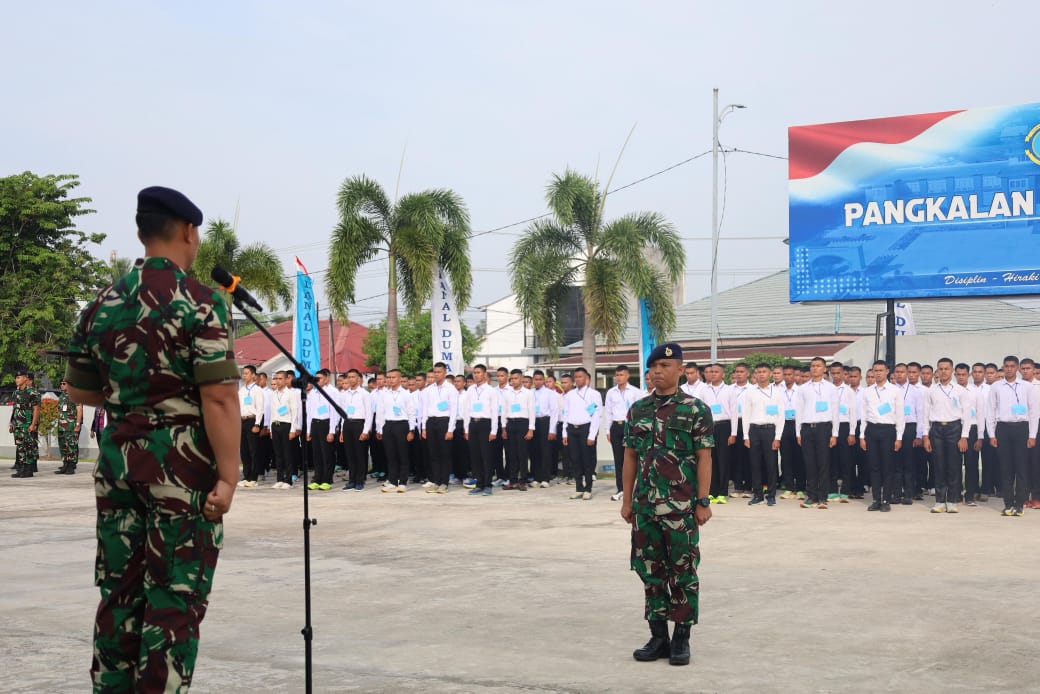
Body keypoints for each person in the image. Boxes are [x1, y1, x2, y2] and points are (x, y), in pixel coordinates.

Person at [64, 185, 240, 692]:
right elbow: (220, 398)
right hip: (180, 476)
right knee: (172, 602)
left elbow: (79, 387)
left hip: (118, 469)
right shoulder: (202, 303)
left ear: (142, 233)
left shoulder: (103, 302)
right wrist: (228, 476)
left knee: (119, 598)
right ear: (188, 230)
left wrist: (133, 398)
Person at [621, 342, 713, 667]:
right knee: (650, 571)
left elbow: (704, 457)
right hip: (645, 507)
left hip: (681, 507)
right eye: (653, 366)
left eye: (664, 366)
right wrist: (627, 497)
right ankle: (658, 635)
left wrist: (703, 500)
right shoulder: (638, 409)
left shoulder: (695, 409)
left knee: (684, 571)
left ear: (680, 370)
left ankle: (681, 638)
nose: (658, 371)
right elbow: (630, 455)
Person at [986, 355, 1038, 516]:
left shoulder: (1026, 387)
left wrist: (1032, 435)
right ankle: (1008, 504)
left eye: (1012, 366)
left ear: (1017, 368)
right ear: (1003, 367)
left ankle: (1020, 504)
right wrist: (991, 434)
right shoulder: (996, 386)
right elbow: (990, 410)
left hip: (1022, 428)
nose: (1009, 369)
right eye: (1006, 366)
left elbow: (1033, 412)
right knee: (1005, 468)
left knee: (1021, 468)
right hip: (1003, 429)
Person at [921, 357, 970, 513]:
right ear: (937, 371)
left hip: (954, 428)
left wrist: (964, 436)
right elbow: (925, 414)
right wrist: (925, 435)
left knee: (954, 465)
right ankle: (940, 501)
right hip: (936, 429)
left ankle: (953, 500)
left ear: (952, 370)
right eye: (940, 369)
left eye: (946, 369)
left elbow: (967, 416)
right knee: (939, 465)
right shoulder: (931, 391)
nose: (943, 372)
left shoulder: (960, 391)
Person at [860, 360, 905, 512]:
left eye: (881, 370)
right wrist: (862, 436)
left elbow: (900, 416)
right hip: (872, 430)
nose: (877, 373)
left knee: (887, 466)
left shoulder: (895, 391)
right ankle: (876, 499)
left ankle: (886, 499)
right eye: (875, 370)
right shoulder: (867, 391)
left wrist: (899, 437)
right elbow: (864, 414)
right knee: (874, 467)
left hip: (888, 430)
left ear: (887, 371)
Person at [794, 357, 839, 509]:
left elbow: (835, 412)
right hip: (807, 428)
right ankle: (811, 495)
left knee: (824, 463)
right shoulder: (803, 388)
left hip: (824, 428)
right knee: (809, 463)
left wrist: (835, 434)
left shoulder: (831, 388)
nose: (815, 368)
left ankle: (822, 497)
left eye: (818, 366)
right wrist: (798, 432)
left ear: (824, 369)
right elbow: (799, 411)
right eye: (813, 366)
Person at [742, 363, 784, 505]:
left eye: (764, 371)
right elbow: (746, 415)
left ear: (770, 373)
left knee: (771, 464)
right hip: (754, 430)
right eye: (759, 372)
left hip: (770, 430)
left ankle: (771, 494)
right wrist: (746, 436)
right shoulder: (750, 391)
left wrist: (777, 437)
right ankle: (758, 494)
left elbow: (781, 416)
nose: (761, 374)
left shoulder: (777, 391)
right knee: (755, 464)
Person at [605, 365, 646, 501]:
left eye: (621, 375)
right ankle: (621, 489)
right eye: (617, 375)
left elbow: (639, 411)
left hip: (631, 427)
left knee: (634, 458)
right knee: (619, 460)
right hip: (616, 426)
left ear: (627, 376)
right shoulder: (611, 392)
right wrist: (607, 429)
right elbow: (608, 412)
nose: (618, 378)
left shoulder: (635, 392)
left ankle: (636, 489)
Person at [562, 366, 602, 500]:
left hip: (586, 428)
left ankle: (588, 487)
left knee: (587, 459)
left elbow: (597, 415)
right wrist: (564, 433)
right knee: (575, 459)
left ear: (586, 378)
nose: (578, 379)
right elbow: (565, 414)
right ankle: (578, 487)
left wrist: (592, 434)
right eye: (576, 377)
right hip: (572, 429)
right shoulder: (569, 395)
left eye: (581, 377)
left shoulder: (593, 394)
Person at [374, 369, 417, 492]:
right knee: (390, 455)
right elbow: (380, 412)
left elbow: (411, 413)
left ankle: (403, 481)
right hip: (388, 425)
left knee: (403, 454)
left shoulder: (406, 394)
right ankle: (392, 480)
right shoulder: (384, 394)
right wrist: (379, 428)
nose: (390, 380)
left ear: (399, 378)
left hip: (402, 425)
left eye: (393, 377)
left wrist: (411, 430)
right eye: (389, 377)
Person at [421, 362, 459, 494]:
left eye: (439, 372)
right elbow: (424, 410)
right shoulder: (428, 390)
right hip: (431, 422)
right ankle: (436, 481)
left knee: (445, 454)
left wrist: (450, 429)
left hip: (444, 422)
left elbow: (454, 410)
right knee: (433, 454)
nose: (436, 375)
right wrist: (424, 427)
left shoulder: (450, 389)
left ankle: (444, 482)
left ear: (444, 373)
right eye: (435, 372)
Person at [464, 364, 499, 496]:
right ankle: (479, 484)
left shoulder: (491, 391)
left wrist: (494, 431)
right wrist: (466, 429)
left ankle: (487, 485)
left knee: (486, 456)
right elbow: (467, 410)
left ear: (484, 374)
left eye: (479, 372)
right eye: (474, 373)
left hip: (486, 424)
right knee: (475, 456)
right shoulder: (470, 390)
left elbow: (494, 411)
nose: (476, 375)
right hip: (473, 424)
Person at [335, 369, 372, 491]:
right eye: (349, 377)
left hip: (359, 424)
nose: (351, 379)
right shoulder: (345, 394)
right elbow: (343, 414)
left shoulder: (364, 394)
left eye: (353, 377)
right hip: (348, 425)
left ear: (359, 379)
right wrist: (341, 431)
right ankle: (351, 480)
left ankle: (360, 481)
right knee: (350, 454)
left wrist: (365, 431)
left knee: (360, 454)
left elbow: (369, 414)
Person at [500, 368, 535, 490]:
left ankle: (523, 481)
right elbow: (504, 411)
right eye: (512, 379)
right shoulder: (506, 393)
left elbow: (532, 411)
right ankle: (512, 480)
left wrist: (531, 429)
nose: (514, 381)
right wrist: (503, 427)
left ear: (521, 378)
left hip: (523, 423)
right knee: (511, 454)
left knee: (522, 453)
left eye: (516, 378)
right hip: (510, 424)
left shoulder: (528, 393)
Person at [10, 368, 40, 478]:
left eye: (18, 377)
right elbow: (15, 409)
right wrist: (11, 423)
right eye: (16, 378)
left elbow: (36, 410)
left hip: (27, 425)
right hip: (18, 425)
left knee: (29, 447)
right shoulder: (16, 393)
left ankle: (29, 470)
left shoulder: (32, 393)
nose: (16, 380)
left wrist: (33, 424)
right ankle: (21, 469)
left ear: (25, 378)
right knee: (20, 447)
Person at [237, 365, 264, 488]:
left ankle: (253, 477)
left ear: (253, 375)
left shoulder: (257, 390)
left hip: (252, 420)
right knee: (244, 450)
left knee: (254, 450)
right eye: (243, 373)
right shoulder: (241, 390)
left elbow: (260, 409)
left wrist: (257, 424)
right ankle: (246, 476)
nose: (244, 376)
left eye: (247, 373)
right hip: (242, 421)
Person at [55, 378, 83, 475]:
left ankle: (71, 466)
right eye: (61, 383)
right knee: (63, 446)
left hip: (71, 426)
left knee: (71, 445)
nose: (62, 385)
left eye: (64, 383)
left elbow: (79, 410)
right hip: (61, 426)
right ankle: (65, 464)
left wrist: (78, 424)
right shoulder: (62, 396)